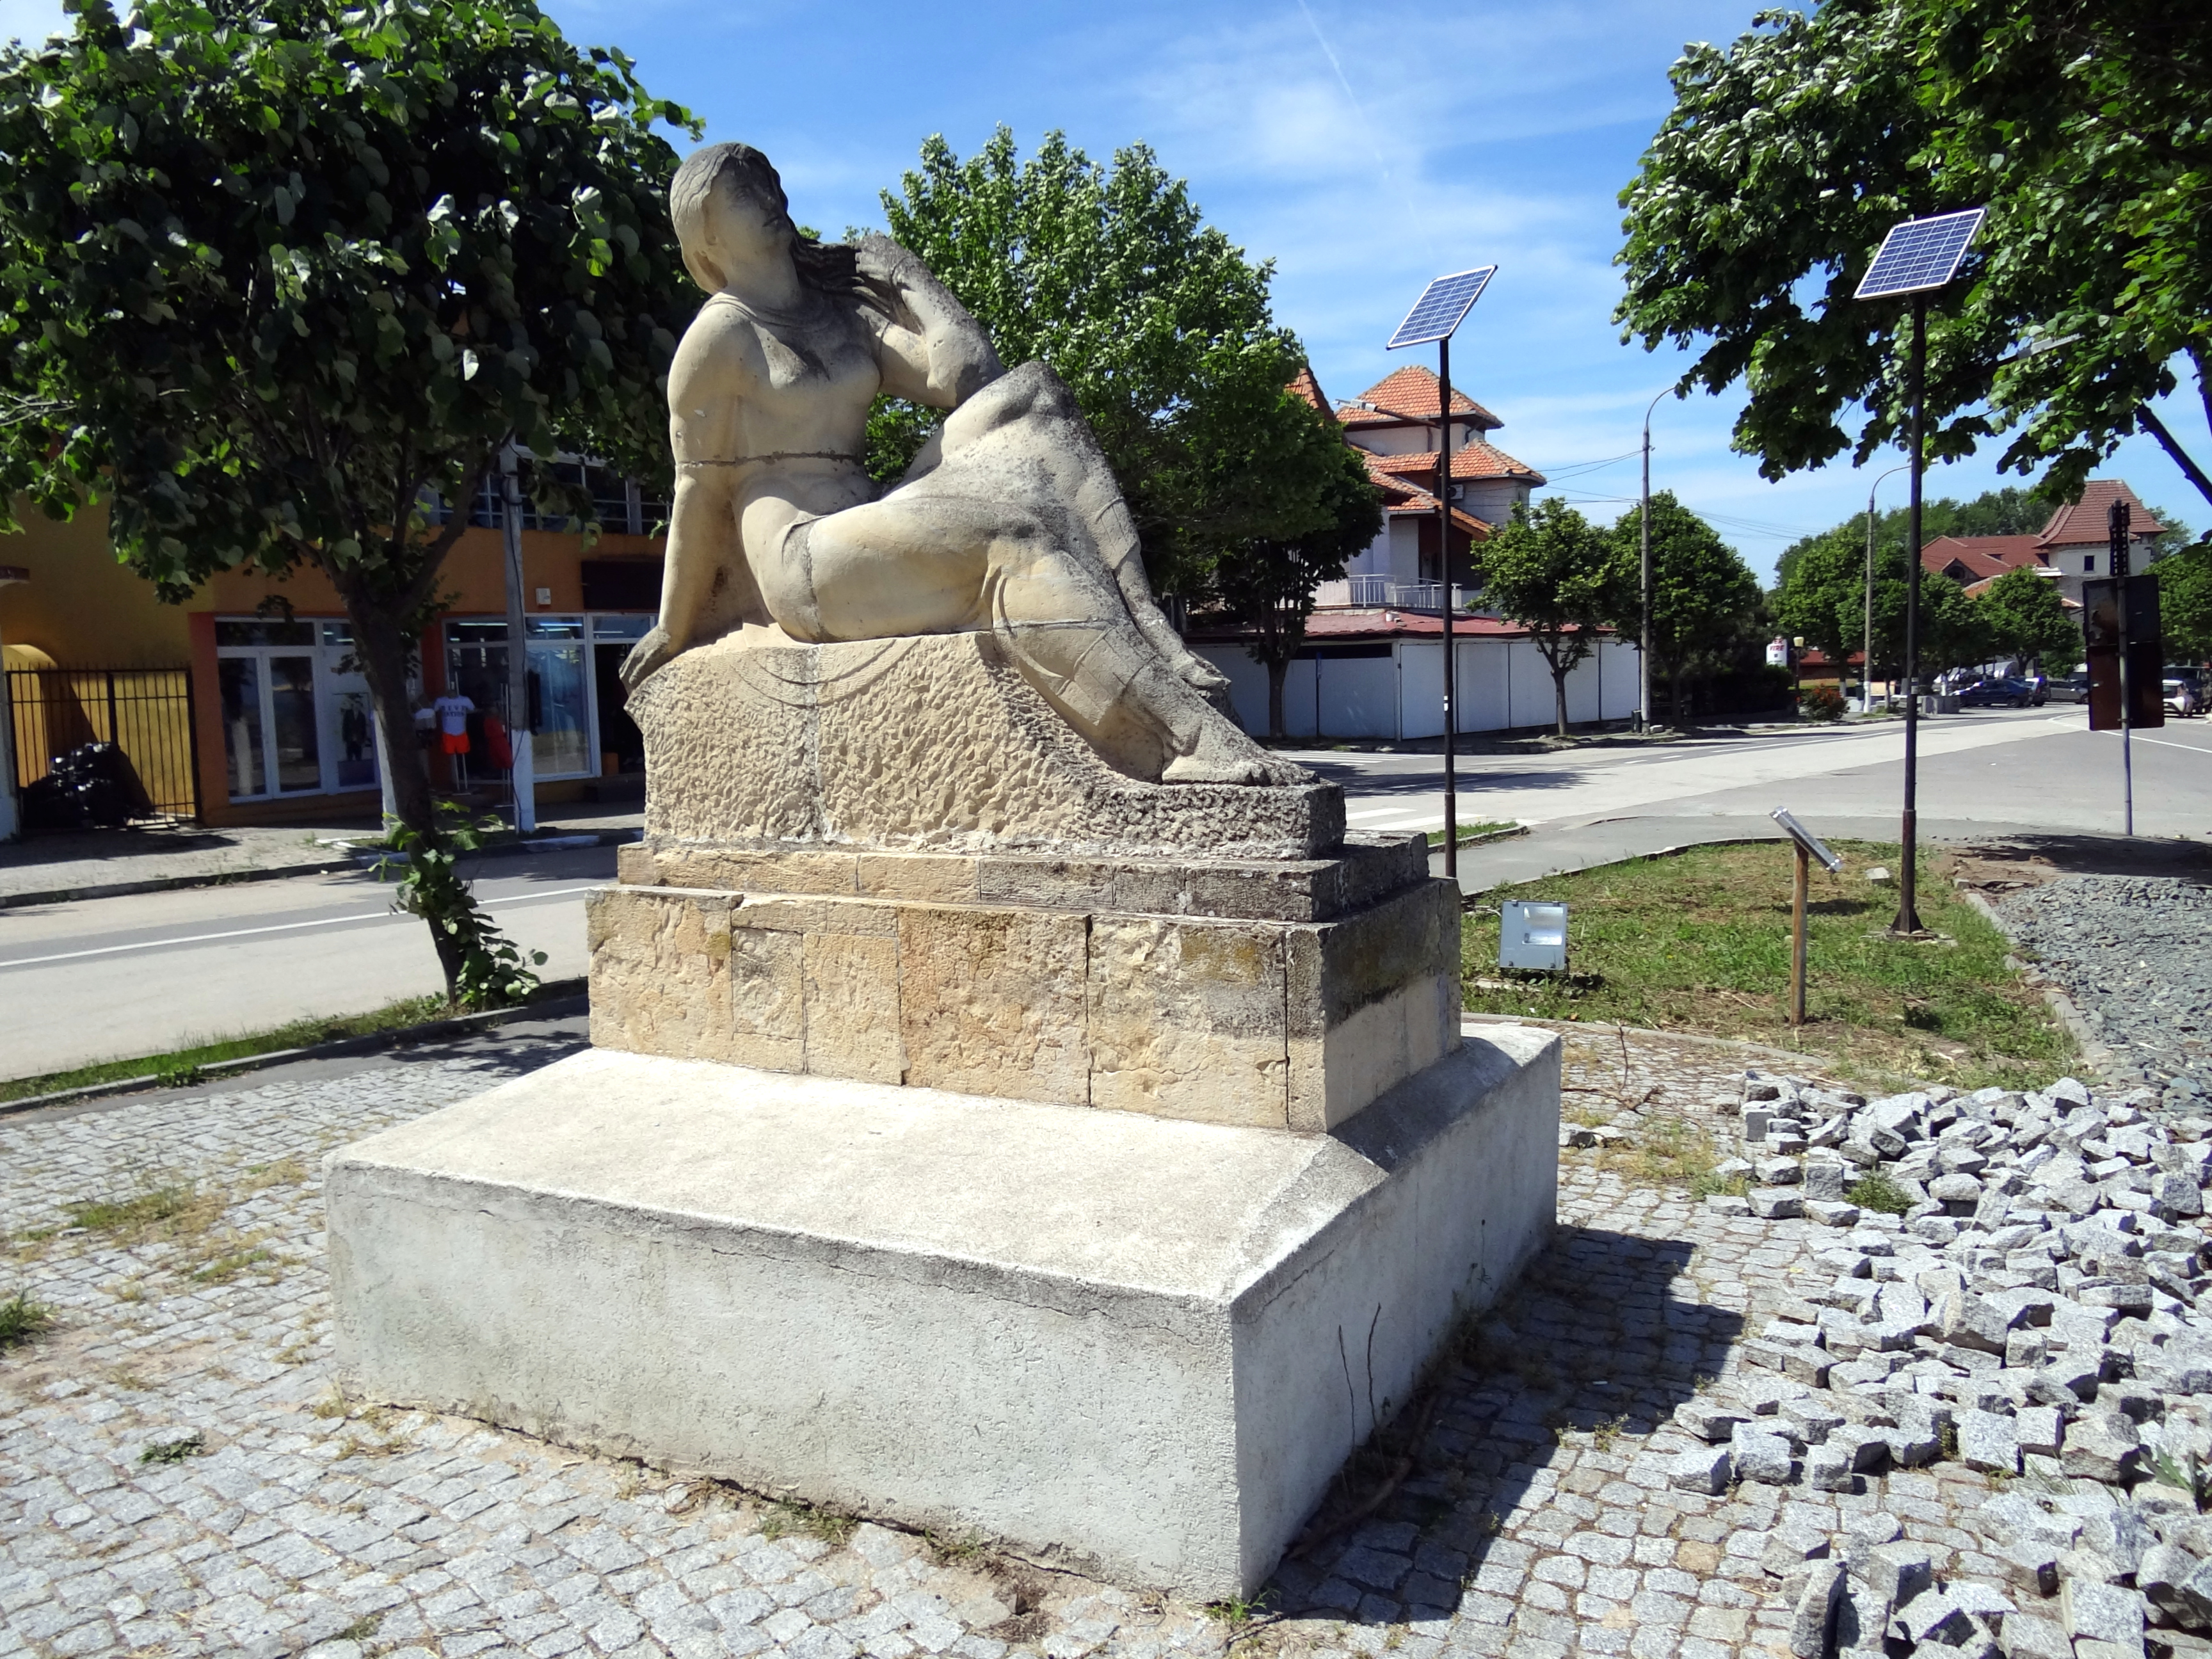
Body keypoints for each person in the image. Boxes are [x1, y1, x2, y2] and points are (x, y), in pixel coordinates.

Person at [620, 142, 1279, 786]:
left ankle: (1148, 625)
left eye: (766, 180)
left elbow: (968, 377)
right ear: (703, 235)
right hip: (802, 554)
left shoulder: (840, 315)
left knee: (1034, 394)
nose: (769, 198)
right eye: (741, 192)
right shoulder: (718, 337)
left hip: (869, 511)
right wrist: (673, 628)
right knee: (1010, 538)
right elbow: (697, 491)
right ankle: (1181, 738)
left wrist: (906, 274)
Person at [431, 689, 476, 758]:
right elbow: (433, 710)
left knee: (463, 752)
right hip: (447, 732)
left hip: (461, 732)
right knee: (448, 753)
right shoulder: (441, 701)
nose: (451, 695)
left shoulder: (465, 700)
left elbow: (472, 709)